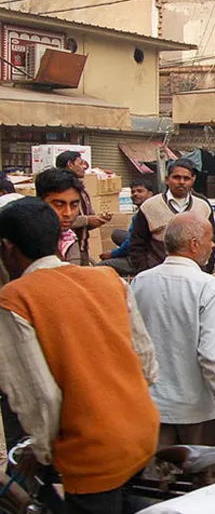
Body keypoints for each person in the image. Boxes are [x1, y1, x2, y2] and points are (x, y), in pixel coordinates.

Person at [0, 197, 159, 513]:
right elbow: (146, 361)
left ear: (7, 246)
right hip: (141, 430)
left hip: (92, 452)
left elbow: (38, 398)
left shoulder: (15, 299)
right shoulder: (105, 278)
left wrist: (43, 452)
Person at [131, 213, 215, 459]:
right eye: (210, 240)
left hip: (153, 407)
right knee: (207, 486)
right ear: (193, 244)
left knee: (161, 486)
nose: (213, 245)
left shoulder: (140, 282)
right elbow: (212, 357)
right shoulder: (207, 287)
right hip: (196, 410)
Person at [129, 159, 215, 273]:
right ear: (167, 179)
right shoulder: (150, 206)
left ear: (193, 180)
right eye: (176, 177)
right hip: (159, 276)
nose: (181, 182)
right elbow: (137, 243)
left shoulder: (202, 206)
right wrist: (144, 271)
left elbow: (211, 240)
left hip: (195, 276)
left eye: (186, 178)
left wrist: (206, 271)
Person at [55, 151, 110, 266]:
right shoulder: (58, 191)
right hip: (63, 250)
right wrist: (87, 220)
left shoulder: (83, 192)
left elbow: (87, 220)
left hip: (82, 246)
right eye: (80, 163)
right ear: (70, 165)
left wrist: (99, 220)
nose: (84, 167)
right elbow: (58, 220)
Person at [97, 176, 156, 276]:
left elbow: (131, 242)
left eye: (140, 191)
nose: (135, 194)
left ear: (150, 194)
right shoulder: (145, 210)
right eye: (133, 192)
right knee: (116, 234)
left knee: (101, 266)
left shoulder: (145, 213)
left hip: (144, 258)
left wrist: (112, 254)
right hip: (145, 246)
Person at [35, 168, 86, 264]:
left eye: (74, 205)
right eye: (59, 205)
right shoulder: (26, 241)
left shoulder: (69, 238)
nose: (68, 213)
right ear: (40, 202)